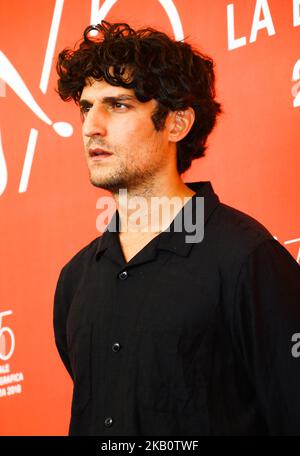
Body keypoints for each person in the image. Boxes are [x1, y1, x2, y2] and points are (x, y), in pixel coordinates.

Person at [53, 21, 300, 436]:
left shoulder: (245, 257)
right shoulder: (75, 280)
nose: (91, 126)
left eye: (118, 105)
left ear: (176, 124)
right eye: (86, 107)